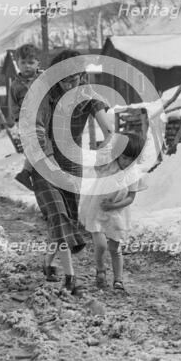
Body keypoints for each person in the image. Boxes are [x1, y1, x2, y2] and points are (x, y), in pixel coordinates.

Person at [25, 49, 113, 295]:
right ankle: (70, 278)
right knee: (58, 215)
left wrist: (109, 134)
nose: (70, 84)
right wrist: (49, 159)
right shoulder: (43, 94)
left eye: (75, 79)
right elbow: (37, 128)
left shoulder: (85, 92)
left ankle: (48, 262)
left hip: (72, 162)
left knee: (68, 218)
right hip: (43, 160)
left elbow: (102, 114)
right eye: (65, 80)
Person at [79, 132, 146, 292]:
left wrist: (114, 206)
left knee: (115, 248)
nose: (126, 162)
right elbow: (98, 158)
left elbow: (131, 198)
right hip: (97, 209)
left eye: (131, 160)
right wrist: (111, 139)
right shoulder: (108, 166)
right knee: (101, 245)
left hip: (117, 214)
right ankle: (100, 269)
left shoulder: (133, 174)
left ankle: (118, 279)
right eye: (124, 158)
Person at [9, 43, 42, 191]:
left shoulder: (43, 78)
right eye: (23, 63)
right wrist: (18, 120)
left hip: (44, 117)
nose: (27, 66)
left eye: (31, 62)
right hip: (27, 120)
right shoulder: (15, 85)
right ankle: (26, 172)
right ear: (17, 64)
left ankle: (26, 172)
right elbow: (13, 105)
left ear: (38, 63)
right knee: (36, 144)